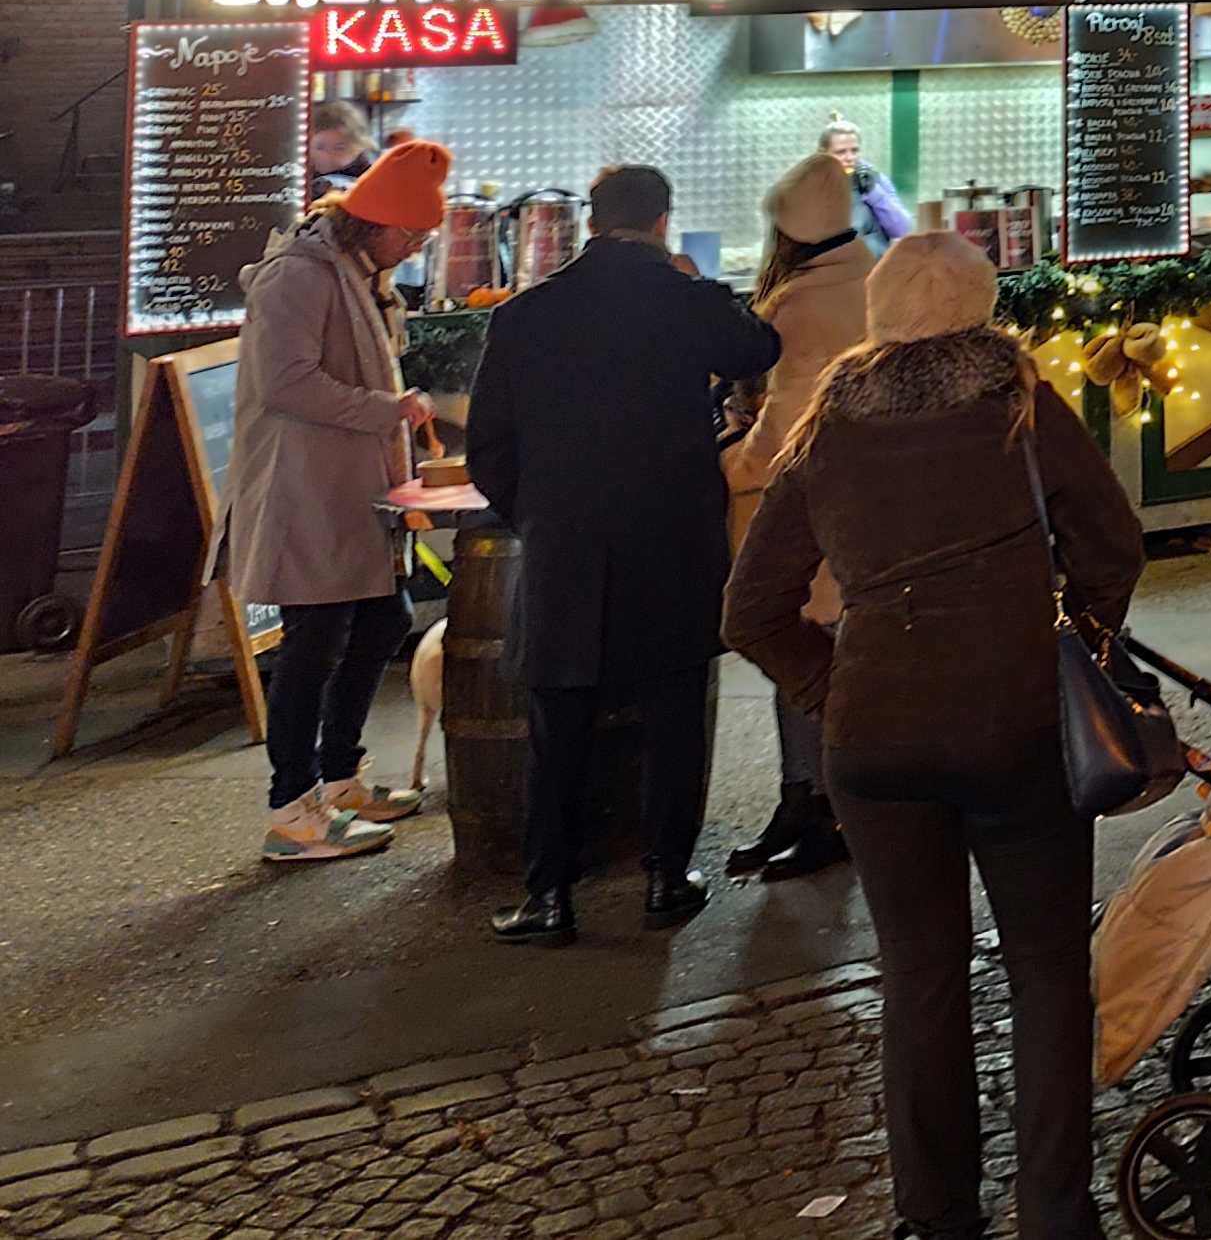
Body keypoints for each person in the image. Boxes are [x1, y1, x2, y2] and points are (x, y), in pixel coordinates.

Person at [726, 231, 1139, 1240]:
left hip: (874, 738)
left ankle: (936, 1216)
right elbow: (1112, 547)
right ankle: (1052, 1210)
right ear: (980, 310)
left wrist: (834, 682)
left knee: (920, 975)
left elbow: (749, 613)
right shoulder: (1019, 405)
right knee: (1046, 970)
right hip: (1015, 725)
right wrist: (1072, 639)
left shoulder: (828, 427)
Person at [473, 164, 783, 941]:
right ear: (662, 222)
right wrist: (696, 283)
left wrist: (539, 513)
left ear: (590, 223)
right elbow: (759, 345)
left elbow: (487, 449)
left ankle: (549, 895)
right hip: (670, 542)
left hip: (564, 546)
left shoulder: (523, 316)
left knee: (558, 722)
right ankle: (665, 878)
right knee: (674, 712)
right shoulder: (684, 302)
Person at [227, 140, 448, 864]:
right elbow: (284, 383)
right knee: (313, 644)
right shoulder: (299, 276)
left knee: (386, 617)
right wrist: (389, 407)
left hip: (351, 489)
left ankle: (340, 779)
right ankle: (292, 811)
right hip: (305, 490)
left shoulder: (356, 270)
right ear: (375, 222)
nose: (414, 249)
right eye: (410, 235)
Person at [719, 153, 878, 882]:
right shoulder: (872, 276)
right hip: (864, 505)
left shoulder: (802, 303)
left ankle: (821, 808)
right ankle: (806, 802)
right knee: (825, 655)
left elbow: (788, 424)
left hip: (808, 512)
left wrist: (732, 463)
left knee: (795, 651)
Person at [813, 117, 916, 250]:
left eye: (854, 151)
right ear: (823, 154)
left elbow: (902, 229)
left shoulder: (874, 179)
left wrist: (873, 192)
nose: (850, 158)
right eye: (841, 152)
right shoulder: (811, 185)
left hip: (875, 266)